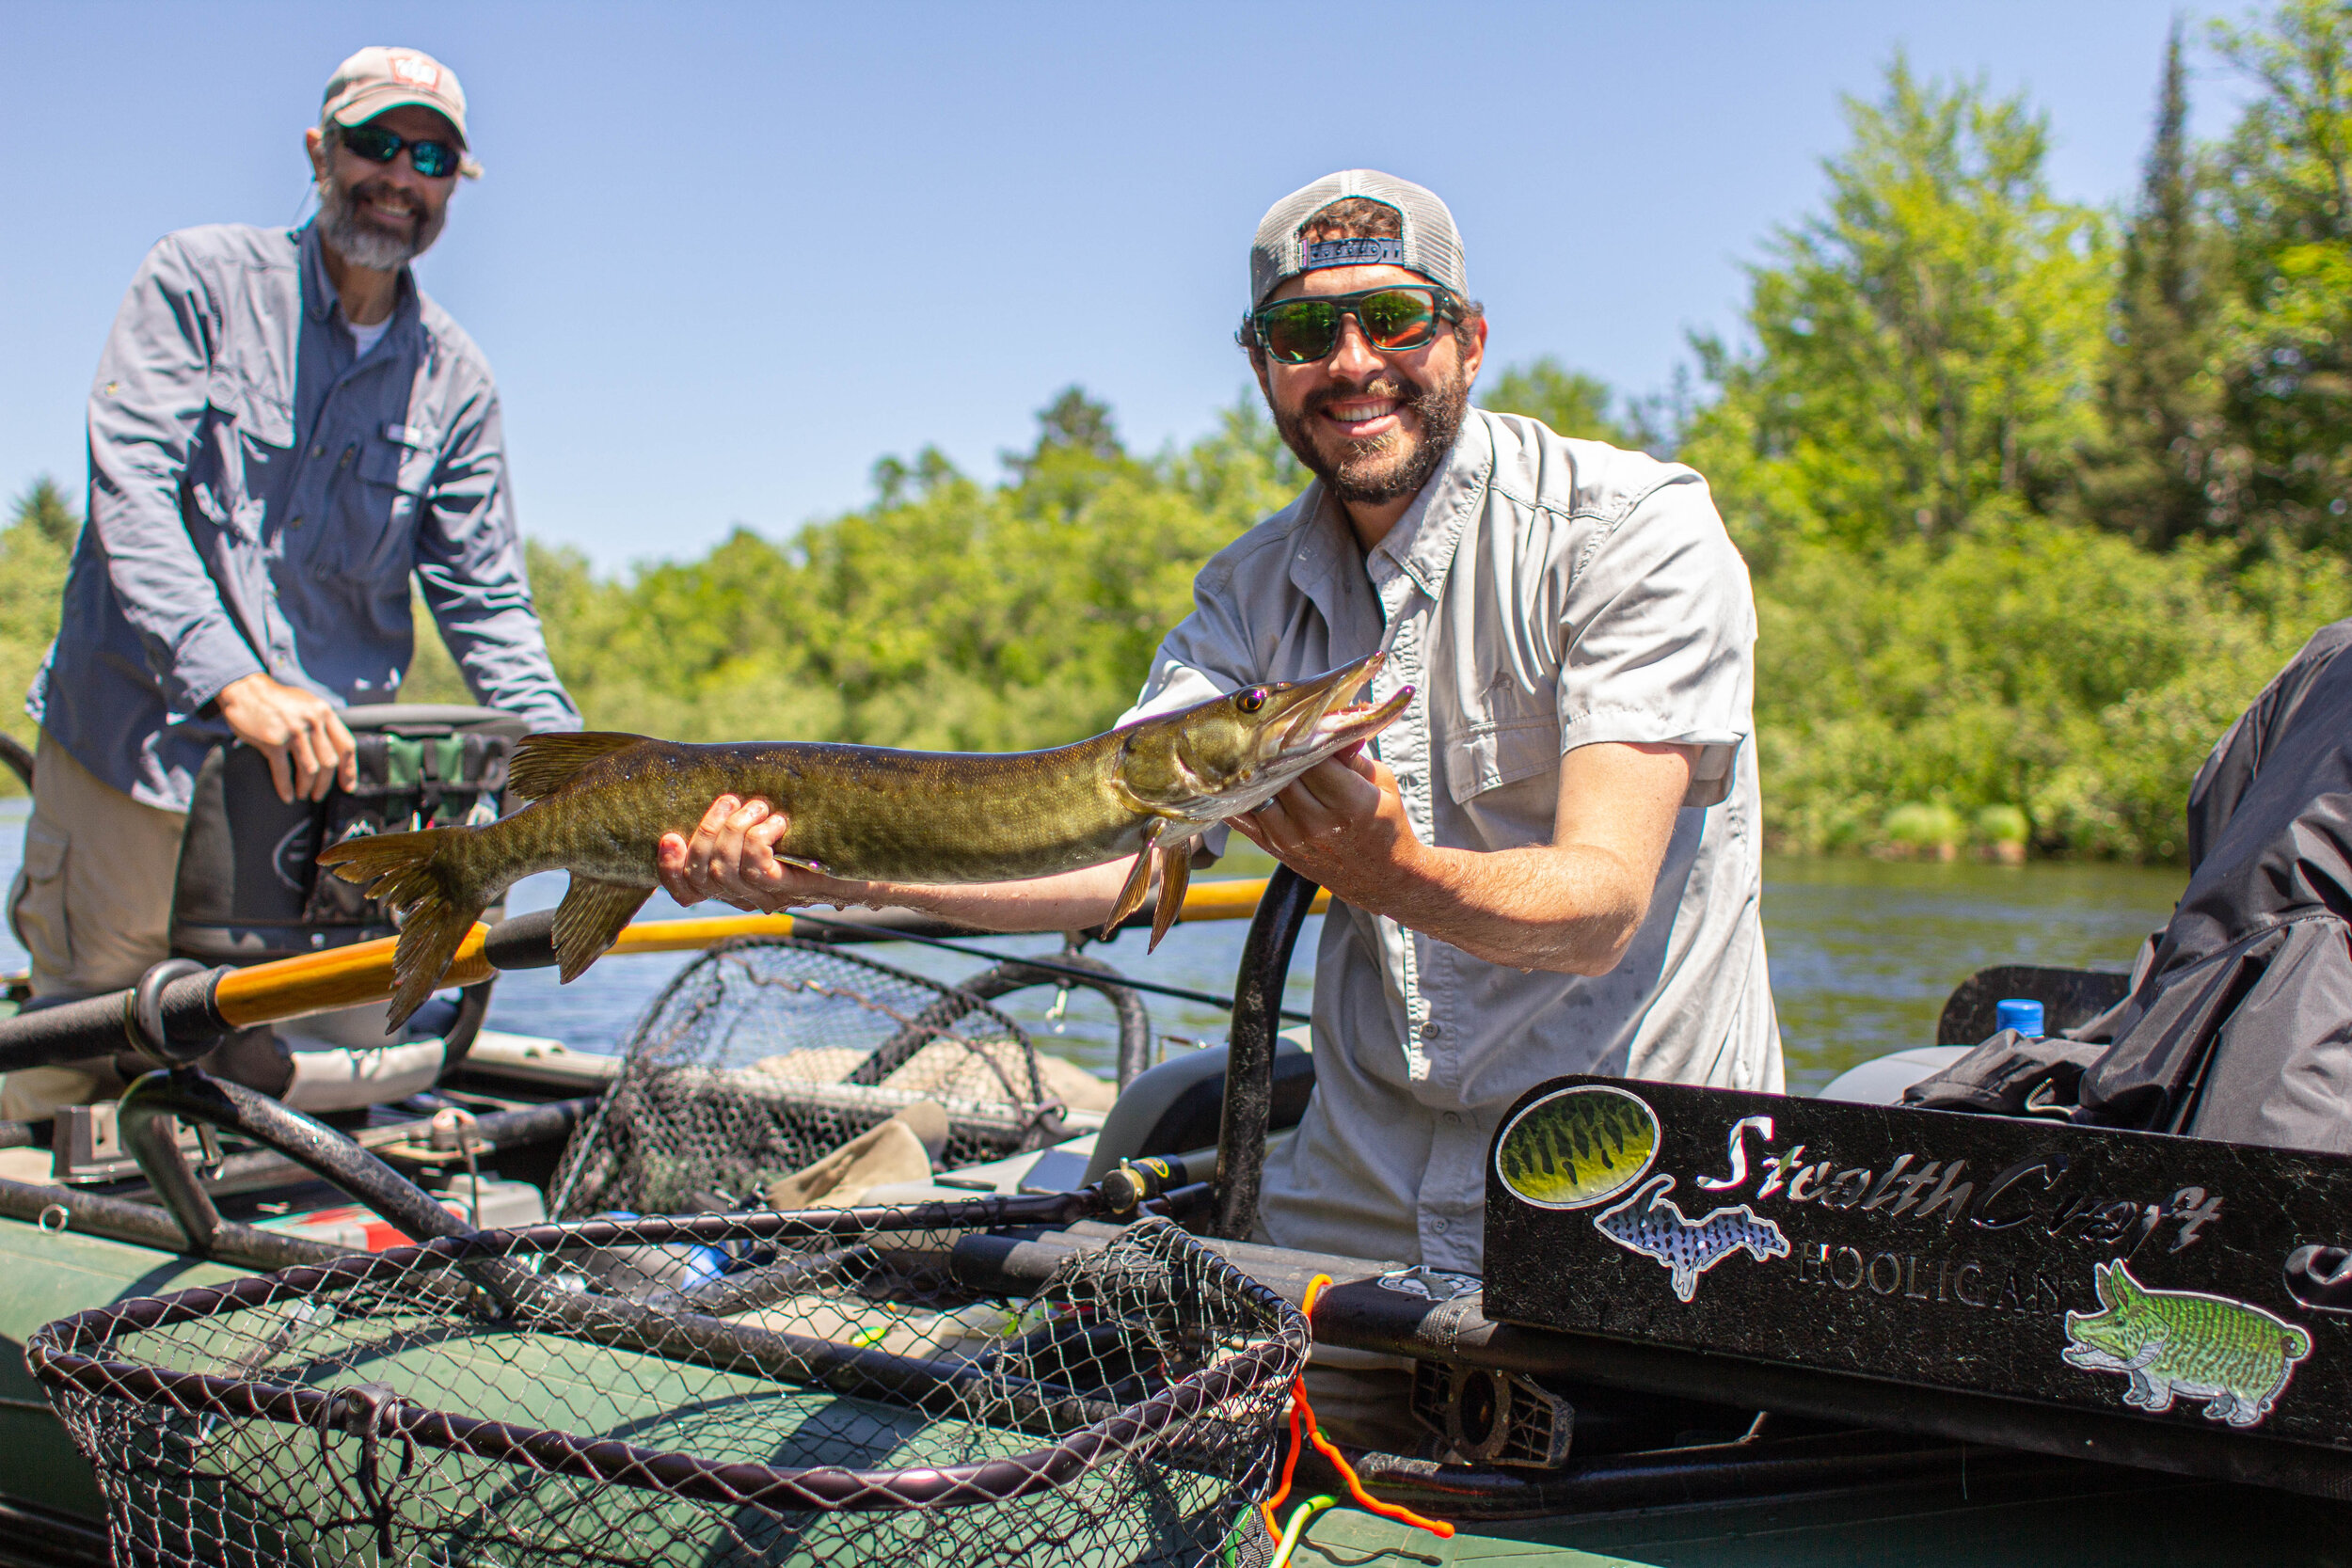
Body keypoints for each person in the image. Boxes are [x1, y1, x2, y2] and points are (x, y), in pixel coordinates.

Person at [657, 169, 1778, 1280]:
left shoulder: (1633, 533)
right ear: (1261, 366)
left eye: (1391, 317)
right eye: (1301, 332)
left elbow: (1598, 911)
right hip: (1362, 1177)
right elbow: (1116, 857)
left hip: (1636, 1177)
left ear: (1469, 340)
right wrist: (827, 874)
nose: (1349, 362)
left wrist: (1387, 872)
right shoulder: (1244, 597)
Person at [7, 46, 580, 1117]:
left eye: (431, 155)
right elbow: (130, 493)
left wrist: (573, 761)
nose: (399, 176)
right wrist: (234, 679)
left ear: (455, 182)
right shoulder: (196, 280)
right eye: (375, 144)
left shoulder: (456, 377)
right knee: (83, 1037)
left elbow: (487, 597)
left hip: (320, 791)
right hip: (135, 744)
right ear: (321, 151)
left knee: (291, 1049)